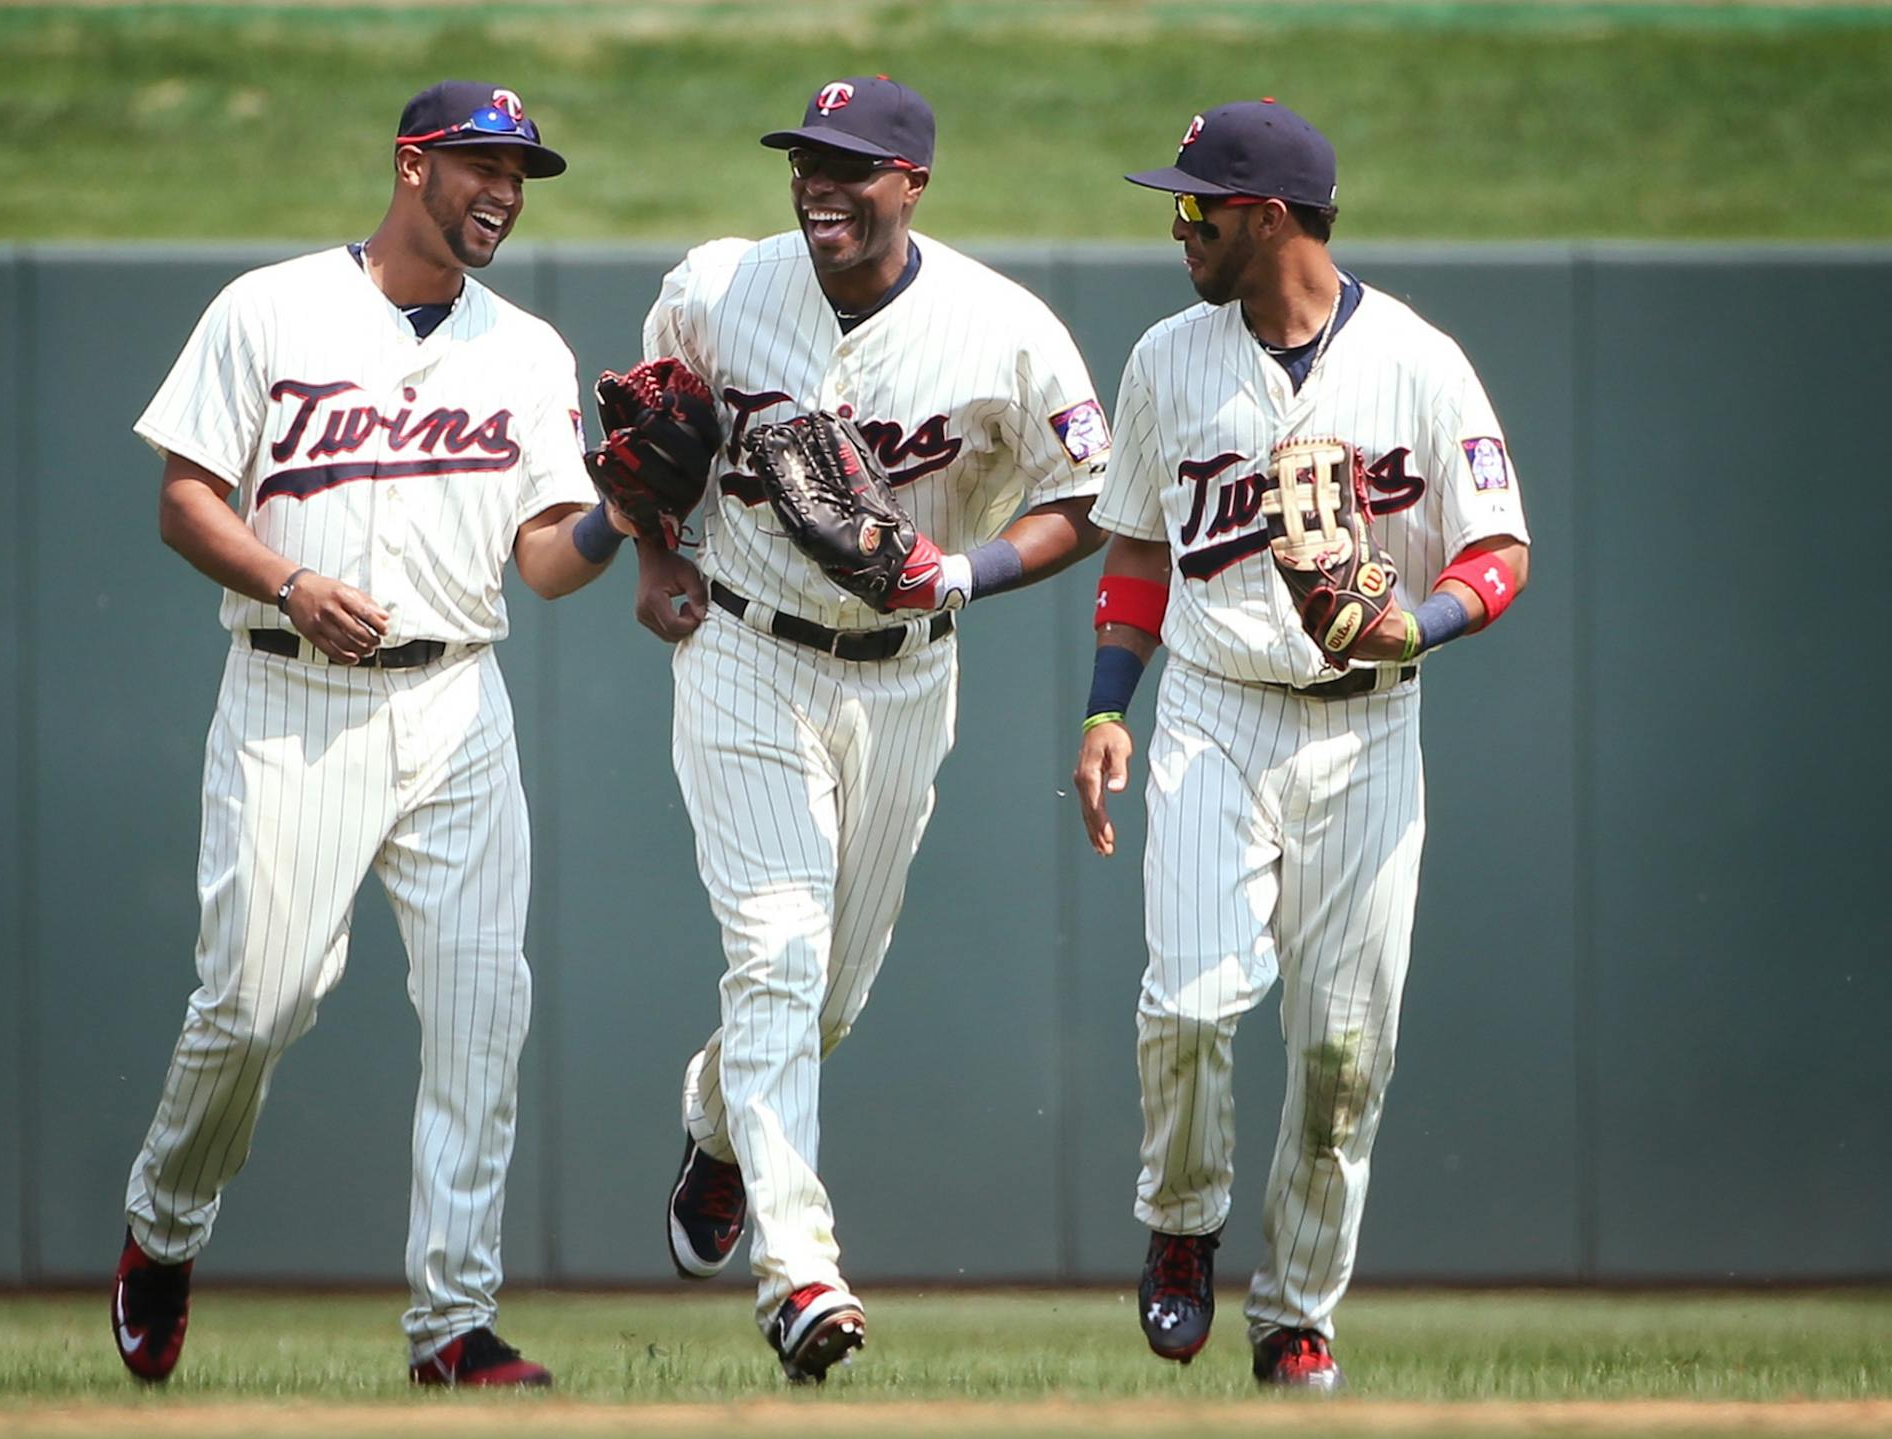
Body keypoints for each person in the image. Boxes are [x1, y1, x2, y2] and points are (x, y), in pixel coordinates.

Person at [109, 79, 635, 1390]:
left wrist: (625, 510)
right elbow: (185, 499)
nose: (504, 192)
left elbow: (543, 564)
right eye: (480, 167)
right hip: (294, 693)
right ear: (413, 165)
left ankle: (452, 1325)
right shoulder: (271, 307)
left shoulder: (524, 348)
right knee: (258, 999)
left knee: (479, 1011)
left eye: (519, 174)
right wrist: (287, 580)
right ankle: (164, 1231)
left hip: (458, 697)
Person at [628, 74, 1112, 1383]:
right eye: (804, 159)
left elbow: (1083, 498)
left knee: (829, 995)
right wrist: (651, 555)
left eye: (849, 164)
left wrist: (964, 573)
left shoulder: (1003, 331)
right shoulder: (721, 288)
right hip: (741, 651)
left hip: (904, 673)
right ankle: (802, 1276)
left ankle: (716, 1120)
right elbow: (637, 438)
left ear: (912, 184)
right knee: (779, 954)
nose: (818, 183)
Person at [1072, 99, 1531, 1392]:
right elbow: (1139, 547)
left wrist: (1417, 624)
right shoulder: (1170, 357)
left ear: (1265, 218)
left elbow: (1503, 548)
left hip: (1369, 730)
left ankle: (1296, 1316)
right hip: (1214, 713)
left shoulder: (1420, 363)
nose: (1180, 225)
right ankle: (1181, 1225)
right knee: (1190, 1000)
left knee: (1343, 1053)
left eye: (1196, 207)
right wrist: (1109, 707)